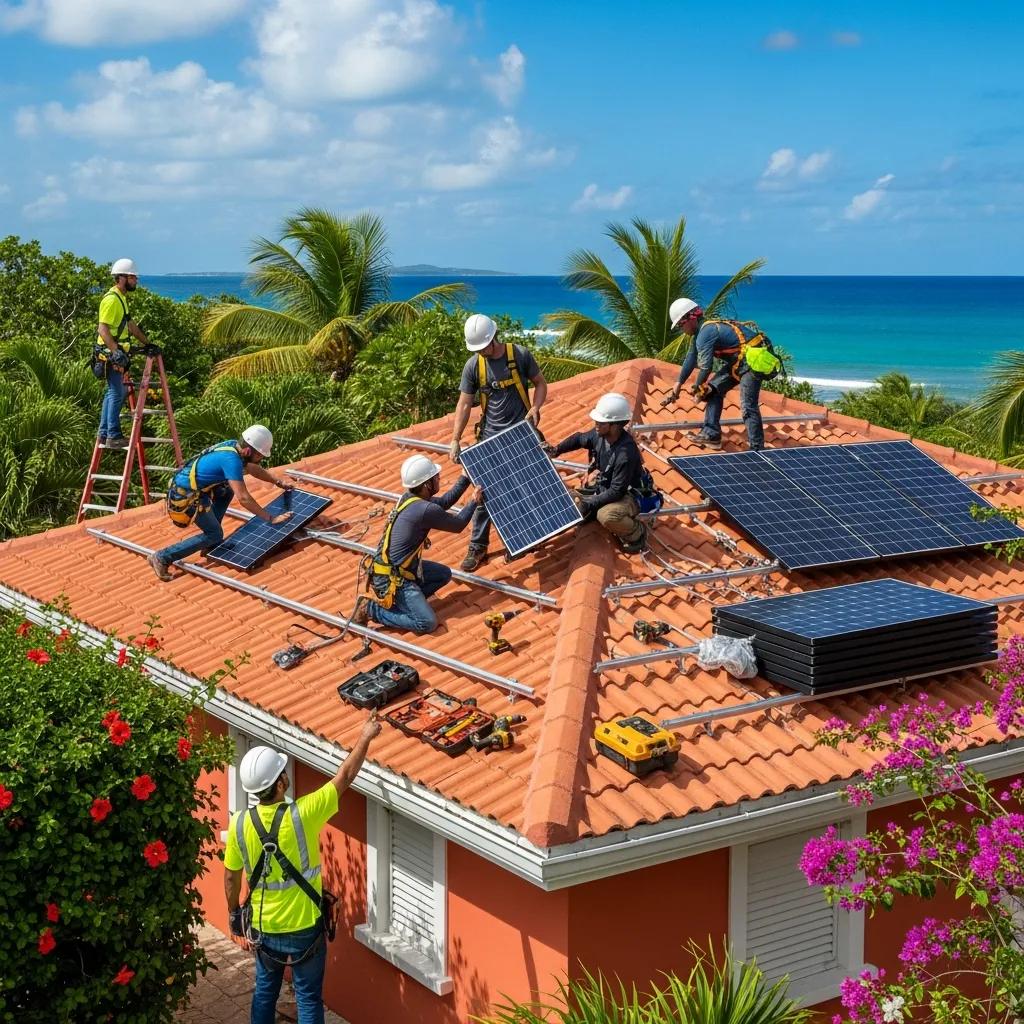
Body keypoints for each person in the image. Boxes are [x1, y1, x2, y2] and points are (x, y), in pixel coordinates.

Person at [224, 714, 381, 1024]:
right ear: (280, 783)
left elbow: (231, 878)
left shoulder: (239, 824)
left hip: (264, 927)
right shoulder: (303, 813)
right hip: (305, 926)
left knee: (264, 992)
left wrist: (233, 915)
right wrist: (365, 736)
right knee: (308, 997)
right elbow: (345, 776)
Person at [448, 313, 547, 571]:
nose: (481, 352)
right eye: (477, 349)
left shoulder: (519, 355)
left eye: (484, 346)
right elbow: (464, 404)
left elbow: (540, 383)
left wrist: (535, 407)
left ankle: (528, 537)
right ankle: (478, 547)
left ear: (494, 337)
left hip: (521, 434)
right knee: (484, 493)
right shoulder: (474, 366)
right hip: (490, 438)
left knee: (526, 487)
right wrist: (455, 439)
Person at [352, 454, 484, 634]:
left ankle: (408, 603)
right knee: (427, 623)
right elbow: (458, 525)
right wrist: (474, 502)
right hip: (393, 579)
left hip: (391, 570)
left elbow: (444, 503)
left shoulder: (410, 498)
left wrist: (464, 478)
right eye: (435, 477)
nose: (439, 478)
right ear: (427, 485)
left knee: (443, 574)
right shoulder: (424, 509)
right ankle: (372, 609)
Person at [147, 425, 293, 581]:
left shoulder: (234, 447)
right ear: (248, 451)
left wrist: (277, 481)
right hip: (186, 496)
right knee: (215, 534)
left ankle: (211, 544)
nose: (261, 459)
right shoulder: (231, 460)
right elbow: (244, 498)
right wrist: (270, 518)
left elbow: (253, 468)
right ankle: (162, 557)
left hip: (197, 489)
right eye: (260, 456)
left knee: (227, 490)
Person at [660, 297, 778, 452]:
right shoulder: (700, 334)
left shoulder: (706, 332)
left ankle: (757, 450)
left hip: (752, 363)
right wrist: (678, 384)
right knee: (713, 390)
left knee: (748, 406)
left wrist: (698, 388)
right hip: (739, 362)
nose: (681, 330)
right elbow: (691, 358)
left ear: (690, 318)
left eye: (680, 325)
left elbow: (705, 367)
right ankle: (712, 435)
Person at [547, 392, 650, 554]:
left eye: (601, 422)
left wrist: (590, 502)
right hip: (608, 487)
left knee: (606, 516)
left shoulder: (625, 454)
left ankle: (638, 532)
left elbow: (617, 491)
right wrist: (556, 450)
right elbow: (578, 439)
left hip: (629, 494)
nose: (596, 424)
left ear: (615, 425)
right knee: (571, 500)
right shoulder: (600, 435)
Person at [95, 258, 152, 449]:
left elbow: (130, 325)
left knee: (113, 392)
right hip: (111, 356)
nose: (136, 280)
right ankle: (113, 435)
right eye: (132, 277)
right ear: (121, 278)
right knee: (117, 393)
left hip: (115, 354)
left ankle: (104, 433)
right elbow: (102, 329)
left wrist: (147, 343)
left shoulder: (121, 299)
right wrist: (115, 352)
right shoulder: (112, 300)